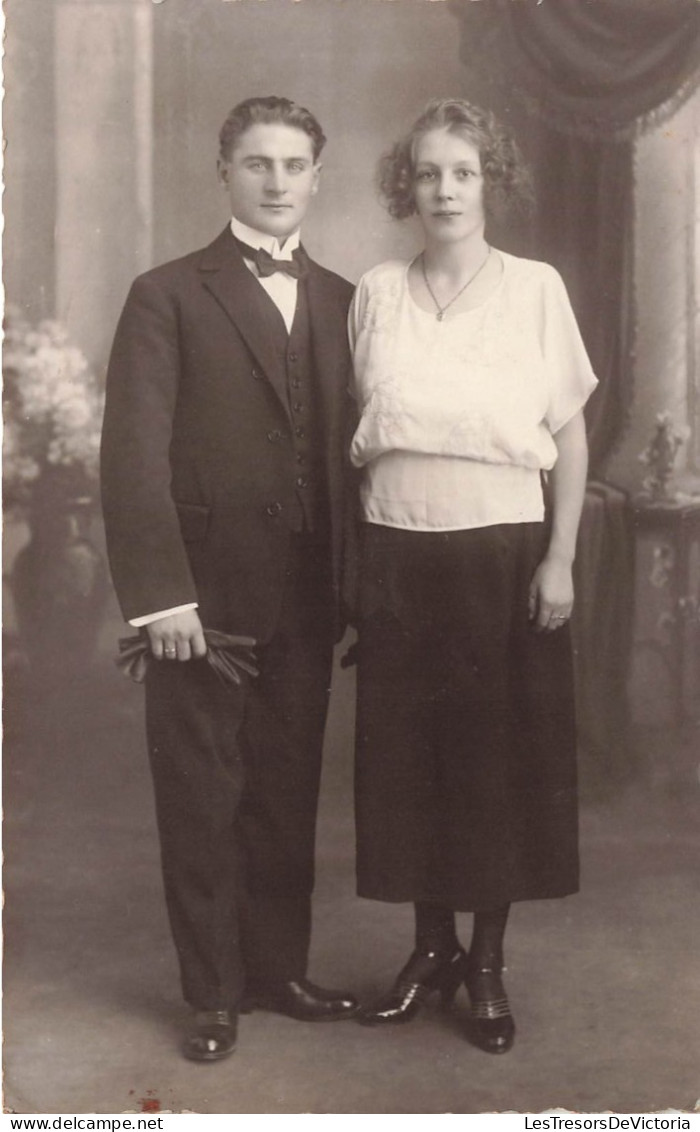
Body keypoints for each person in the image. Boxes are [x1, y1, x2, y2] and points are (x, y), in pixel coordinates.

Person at [100, 95, 359, 1062]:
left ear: (318, 176)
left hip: (305, 591)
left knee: (286, 790)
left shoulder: (340, 297)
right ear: (225, 172)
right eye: (258, 163)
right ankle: (212, 993)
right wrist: (165, 596)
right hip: (201, 600)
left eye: (295, 163)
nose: (279, 181)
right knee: (204, 793)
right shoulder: (167, 292)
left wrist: (355, 585)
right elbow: (131, 455)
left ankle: (275, 969)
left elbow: (352, 455)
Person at [347, 98, 598, 1054]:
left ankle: (486, 963)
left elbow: (567, 438)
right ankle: (428, 952)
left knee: (494, 764)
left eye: (463, 171)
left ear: (492, 181)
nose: (444, 189)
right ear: (402, 185)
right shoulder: (375, 290)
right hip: (398, 554)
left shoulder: (536, 288)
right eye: (426, 172)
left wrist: (561, 557)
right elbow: (351, 439)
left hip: (504, 551)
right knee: (407, 761)